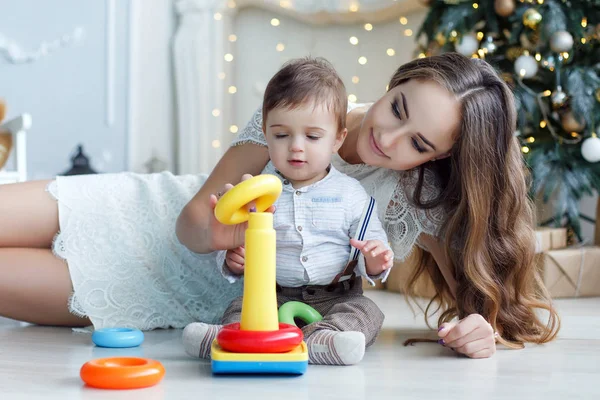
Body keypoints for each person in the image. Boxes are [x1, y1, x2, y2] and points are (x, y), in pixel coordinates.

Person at [0, 52, 559, 359]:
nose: (390, 138)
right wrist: (223, 235)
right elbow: (193, 218)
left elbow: (485, 300)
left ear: (443, 157)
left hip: (162, 291)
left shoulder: (415, 203)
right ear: (397, 81)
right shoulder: (308, 112)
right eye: (399, 108)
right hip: (138, 210)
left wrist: (481, 328)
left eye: (419, 143)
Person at [182, 57, 394, 366]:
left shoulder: (350, 194)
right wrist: (232, 259)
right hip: (271, 296)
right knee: (239, 308)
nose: (296, 146)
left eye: (312, 136)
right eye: (281, 135)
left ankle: (324, 339)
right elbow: (233, 241)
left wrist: (375, 260)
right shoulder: (254, 192)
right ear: (266, 135)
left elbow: (370, 243)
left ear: (337, 139)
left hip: (336, 297)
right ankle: (226, 338)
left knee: (367, 312)